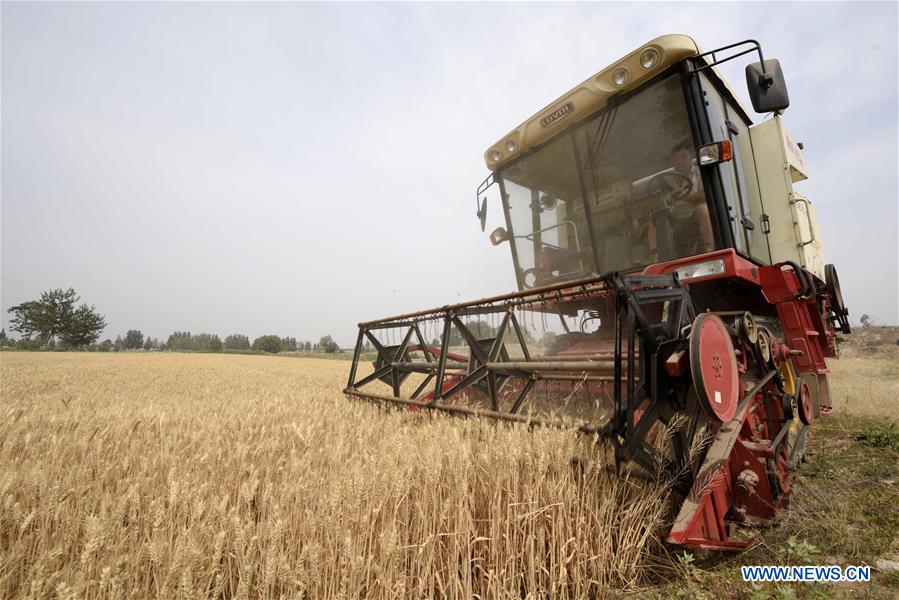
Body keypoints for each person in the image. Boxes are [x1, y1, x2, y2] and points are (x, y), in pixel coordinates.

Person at [648, 141, 714, 258]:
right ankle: (655, 257)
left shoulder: (700, 173)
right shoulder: (668, 180)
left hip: (693, 216)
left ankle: (709, 249)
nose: (680, 161)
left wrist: (683, 196)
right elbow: (661, 200)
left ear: (690, 157)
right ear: (672, 163)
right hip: (675, 218)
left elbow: (707, 195)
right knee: (656, 218)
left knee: (703, 210)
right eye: (676, 159)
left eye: (683, 157)